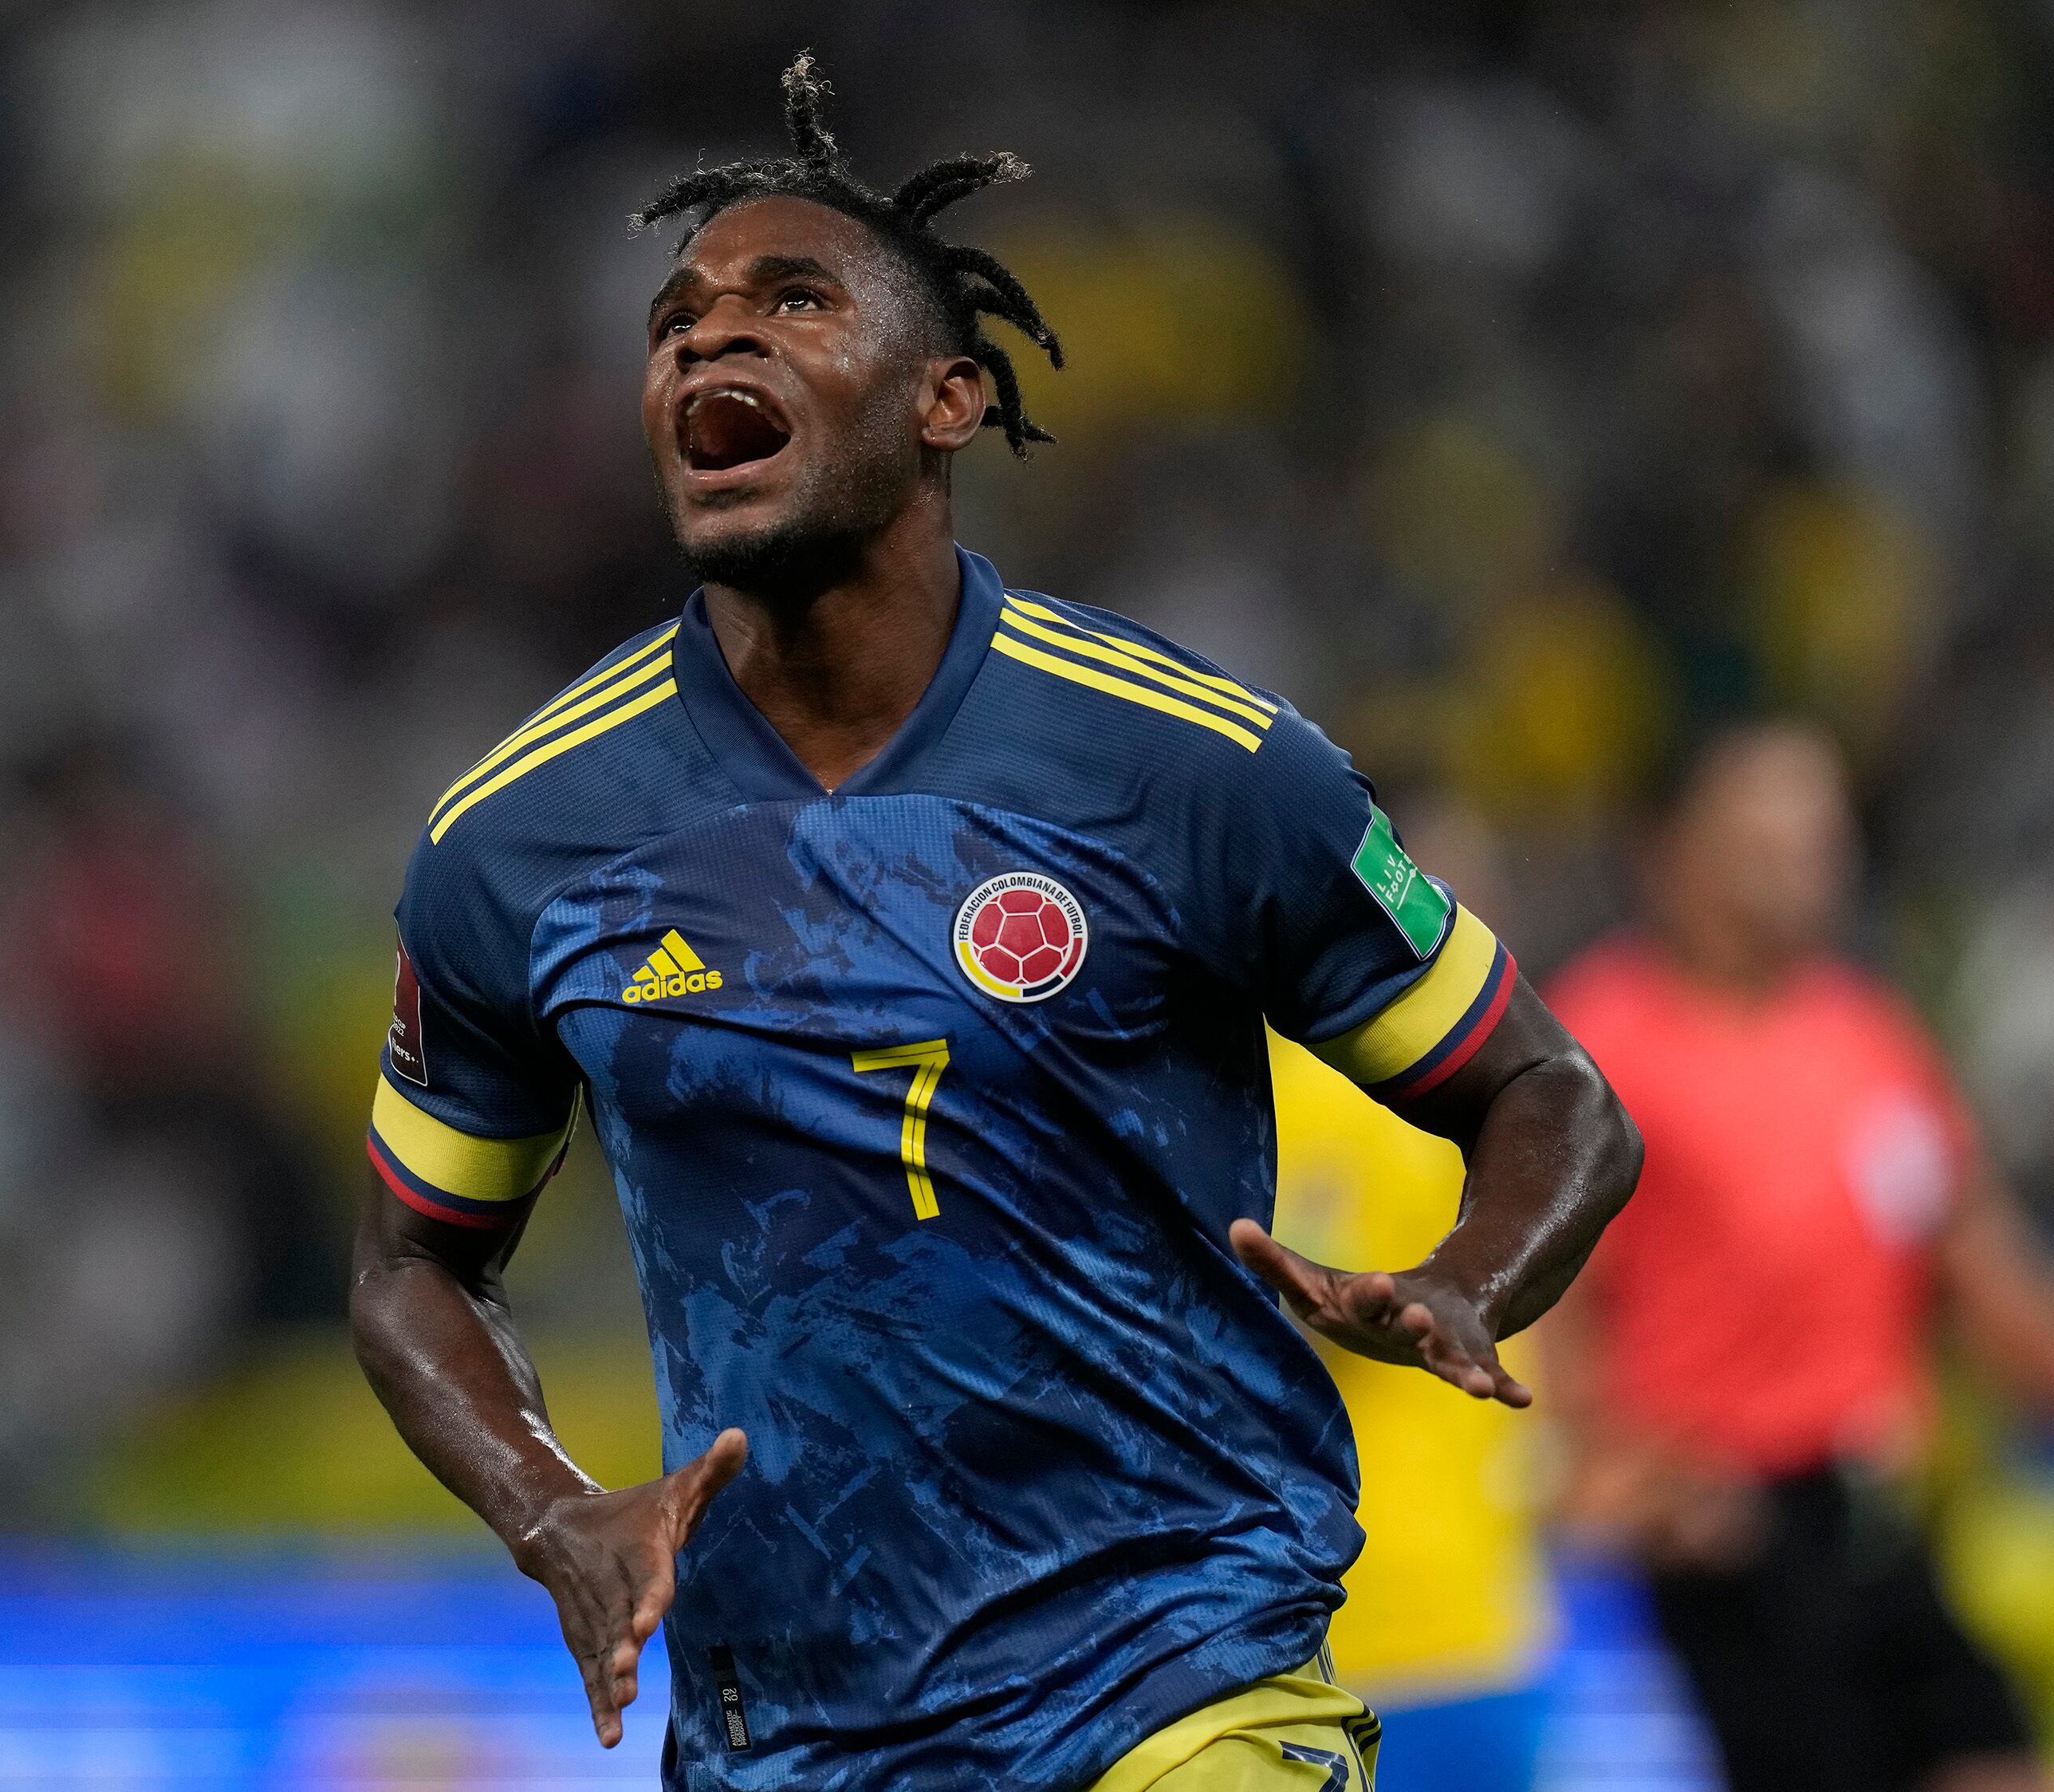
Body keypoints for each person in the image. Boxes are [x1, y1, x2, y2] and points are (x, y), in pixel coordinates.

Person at [348, 56, 1643, 1791]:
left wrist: (1468, 1280)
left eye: (788, 300)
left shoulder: (1190, 761)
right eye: (674, 319)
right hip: (783, 1736)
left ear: (946, 396)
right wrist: (552, 1505)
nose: (704, 342)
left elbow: (1548, 1093)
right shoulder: (513, 837)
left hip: (1179, 1677)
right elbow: (414, 1256)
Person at [1546, 722, 2054, 1792]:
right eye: (1762, 845)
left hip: (1873, 1508)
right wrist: (1616, 1479)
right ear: (1671, 852)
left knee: (1997, 1751)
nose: (1801, 874)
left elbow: (1976, 1258)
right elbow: (1546, 1305)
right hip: (1724, 1528)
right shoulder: (1606, 1041)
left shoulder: (1868, 1034)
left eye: (1820, 844)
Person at [1267, 799, 1556, 1792]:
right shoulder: (1280, 1085)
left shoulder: (1514, 1095)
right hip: (1344, 1616)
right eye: (1430, 897)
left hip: (1477, 1609)